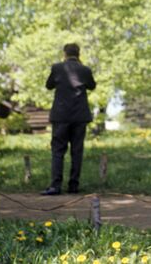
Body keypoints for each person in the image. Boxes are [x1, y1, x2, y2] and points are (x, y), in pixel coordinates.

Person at [40, 42, 96, 196]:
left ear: (65, 53)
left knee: (58, 150)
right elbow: (92, 86)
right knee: (77, 151)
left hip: (61, 116)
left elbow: (49, 85)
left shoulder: (57, 68)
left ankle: (55, 186)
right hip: (79, 116)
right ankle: (73, 185)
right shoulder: (85, 70)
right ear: (79, 54)